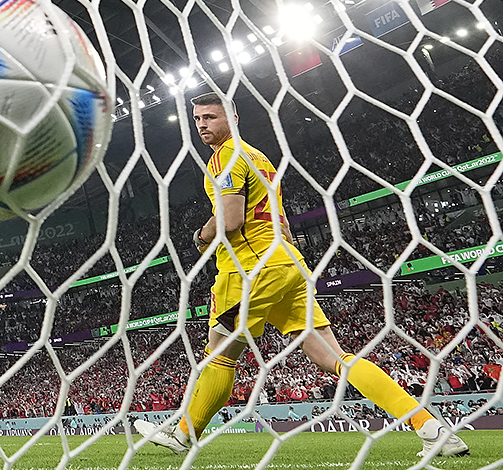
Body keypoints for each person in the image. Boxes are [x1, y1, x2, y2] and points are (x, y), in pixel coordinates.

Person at [134, 92, 468, 458]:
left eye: (211, 117)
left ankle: (183, 435)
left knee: (220, 355)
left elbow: (231, 220)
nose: (202, 126)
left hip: (250, 269)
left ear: (233, 117)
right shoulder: (259, 157)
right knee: (334, 357)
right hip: (288, 264)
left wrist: (200, 237)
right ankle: (431, 428)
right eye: (197, 119)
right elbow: (281, 220)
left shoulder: (225, 157)